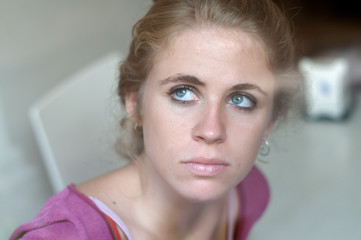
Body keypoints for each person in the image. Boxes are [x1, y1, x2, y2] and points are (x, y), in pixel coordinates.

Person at [10, 0, 301, 239]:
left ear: (270, 123)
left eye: (241, 99)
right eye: (183, 92)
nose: (211, 130)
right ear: (135, 104)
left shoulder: (248, 195)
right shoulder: (68, 235)